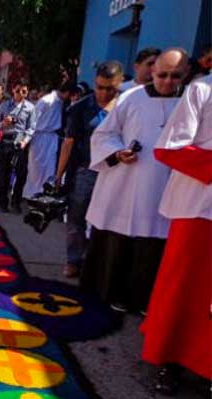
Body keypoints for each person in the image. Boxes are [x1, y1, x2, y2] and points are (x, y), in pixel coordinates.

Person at [82, 49, 189, 314]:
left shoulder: (191, 102)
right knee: (119, 239)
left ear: (184, 75)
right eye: (162, 74)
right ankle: (112, 293)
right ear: (152, 72)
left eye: (175, 76)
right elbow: (103, 135)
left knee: (154, 245)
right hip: (125, 183)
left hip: (166, 186)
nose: (167, 81)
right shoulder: (131, 99)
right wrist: (117, 152)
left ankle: (145, 300)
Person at [141, 72, 211, 393]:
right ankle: (170, 360)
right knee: (184, 289)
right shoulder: (202, 89)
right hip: (198, 207)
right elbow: (170, 147)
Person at [54, 61, 124, 278]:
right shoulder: (81, 108)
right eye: (99, 87)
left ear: (119, 84)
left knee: (108, 220)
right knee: (77, 217)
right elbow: (69, 142)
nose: (103, 93)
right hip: (86, 171)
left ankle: (97, 263)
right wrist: (59, 174)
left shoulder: (128, 106)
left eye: (109, 88)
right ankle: (74, 260)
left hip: (116, 172)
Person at [0, 80, 36, 213]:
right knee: (3, 174)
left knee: (21, 174)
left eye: (24, 91)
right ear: (13, 90)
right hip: (6, 141)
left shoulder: (30, 107)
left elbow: (32, 128)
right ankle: (2, 202)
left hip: (20, 143)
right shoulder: (4, 106)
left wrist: (25, 141)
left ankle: (16, 202)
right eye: (18, 91)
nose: (21, 94)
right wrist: (3, 124)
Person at [23, 82, 73, 199]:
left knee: (49, 168)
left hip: (52, 138)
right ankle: (31, 195)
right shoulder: (47, 100)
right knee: (36, 169)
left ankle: (42, 195)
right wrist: (27, 138)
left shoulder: (61, 103)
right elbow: (33, 121)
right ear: (66, 93)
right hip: (40, 138)